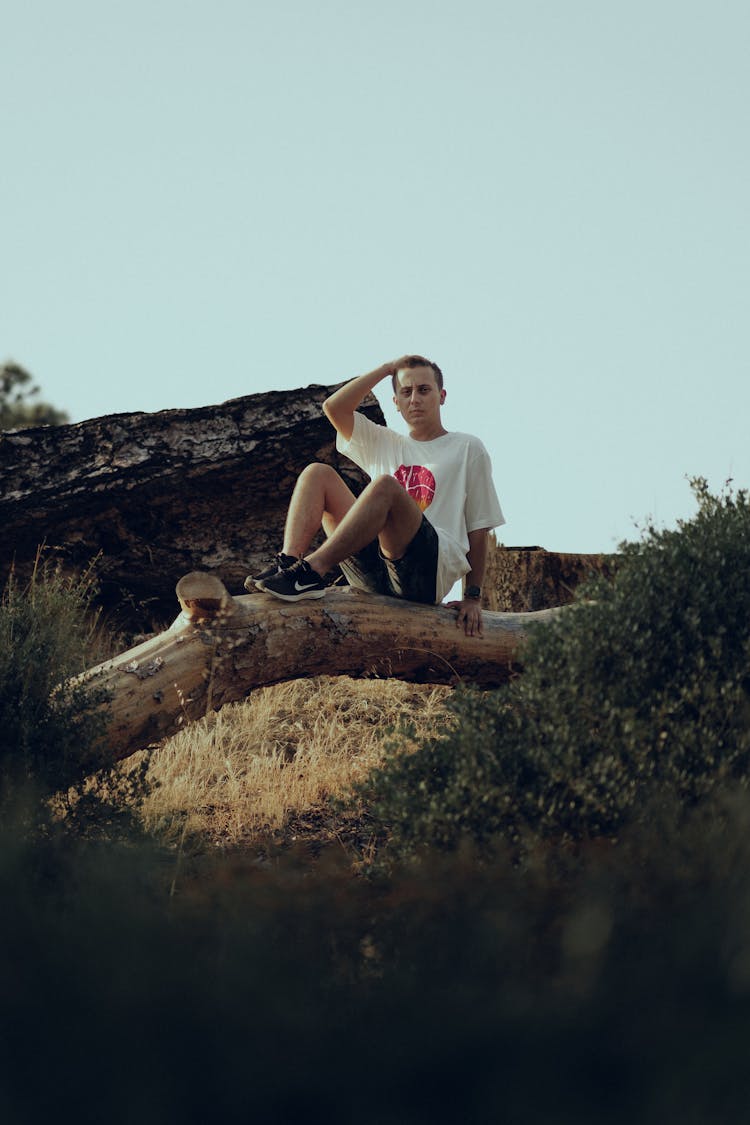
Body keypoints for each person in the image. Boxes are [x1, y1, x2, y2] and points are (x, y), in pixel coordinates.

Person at [246, 355, 505, 637]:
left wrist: (473, 597)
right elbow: (334, 408)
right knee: (317, 473)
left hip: (426, 572)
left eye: (424, 390)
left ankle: (312, 570)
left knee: (386, 486)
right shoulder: (384, 442)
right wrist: (385, 370)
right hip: (375, 573)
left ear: (441, 396)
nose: (414, 399)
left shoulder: (467, 448)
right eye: (406, 392)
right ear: (395, 402)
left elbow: (478, 527)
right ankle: (288, 566)